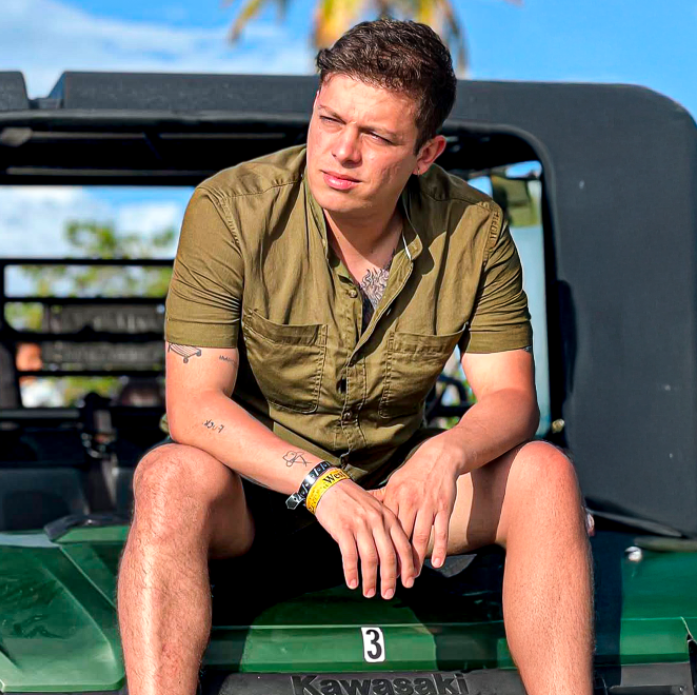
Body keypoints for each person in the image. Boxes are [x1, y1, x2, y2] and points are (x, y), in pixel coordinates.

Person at [117, 18, 594, 695]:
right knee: (168, 475)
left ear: (426, 154)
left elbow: (514, 399)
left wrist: (444, 454)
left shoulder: (477, 229)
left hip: (401, 503)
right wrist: (321, 485)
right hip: (253, 502)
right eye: (330, 120)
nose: (341, 151)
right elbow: (195, 407)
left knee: (545, 473)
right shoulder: (229, 209)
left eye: (377, 136)